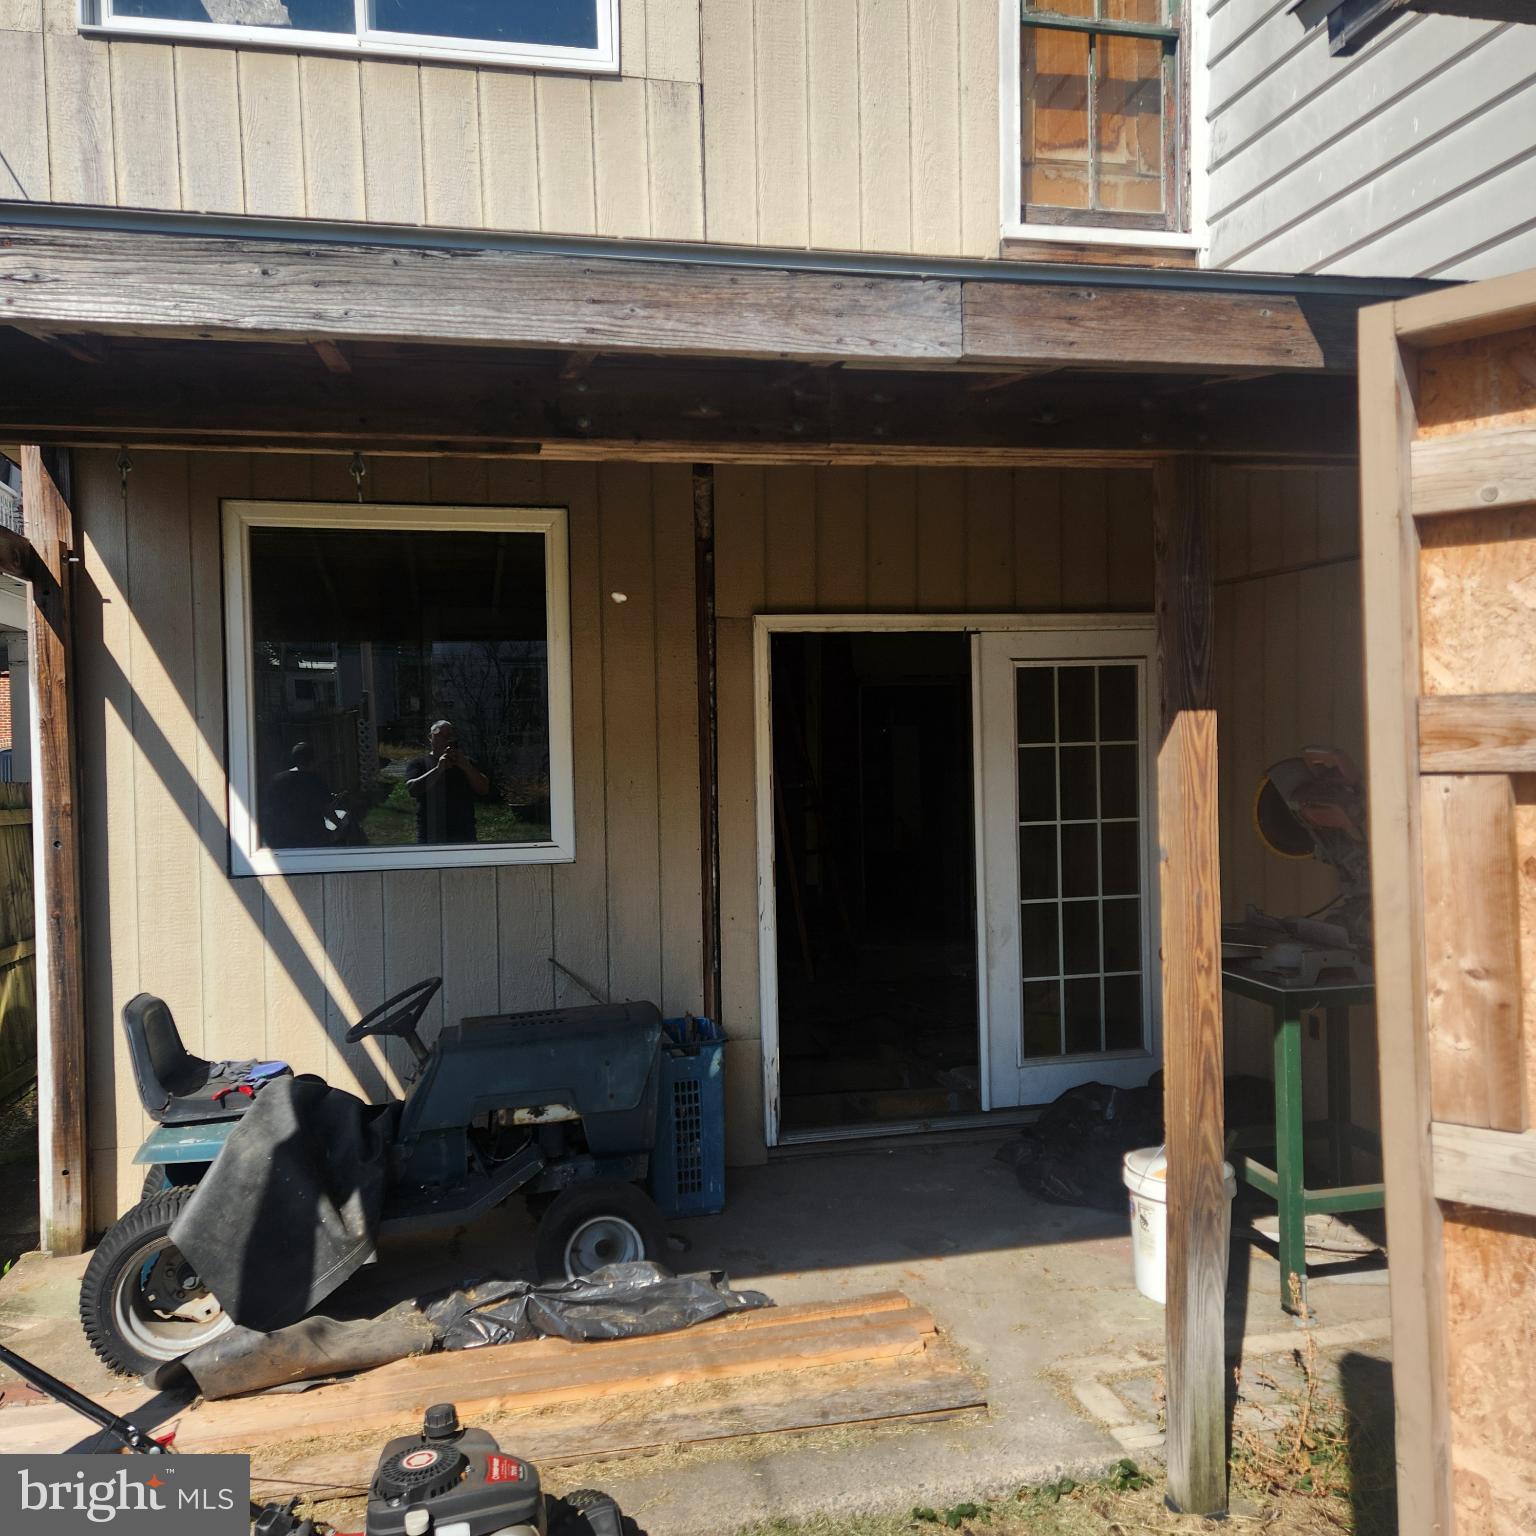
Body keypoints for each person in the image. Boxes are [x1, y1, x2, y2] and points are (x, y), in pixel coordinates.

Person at [405, 720, 490, 844]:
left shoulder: (466, 763)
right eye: (440, 736)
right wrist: (438, 769)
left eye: (449, 736)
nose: (445, 740)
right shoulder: (419, 764)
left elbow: (484, 789)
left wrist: (466, 767)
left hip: (464, 832)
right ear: (430, 738)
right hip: (430, 832)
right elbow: (412, 789)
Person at [264, 742, 334, 849]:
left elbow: (269, 810)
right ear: (313, 761)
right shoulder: (315, 781)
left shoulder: (277, 780)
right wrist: (340, 823)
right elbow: (327, 810)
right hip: (313, 839)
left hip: (283, 838)